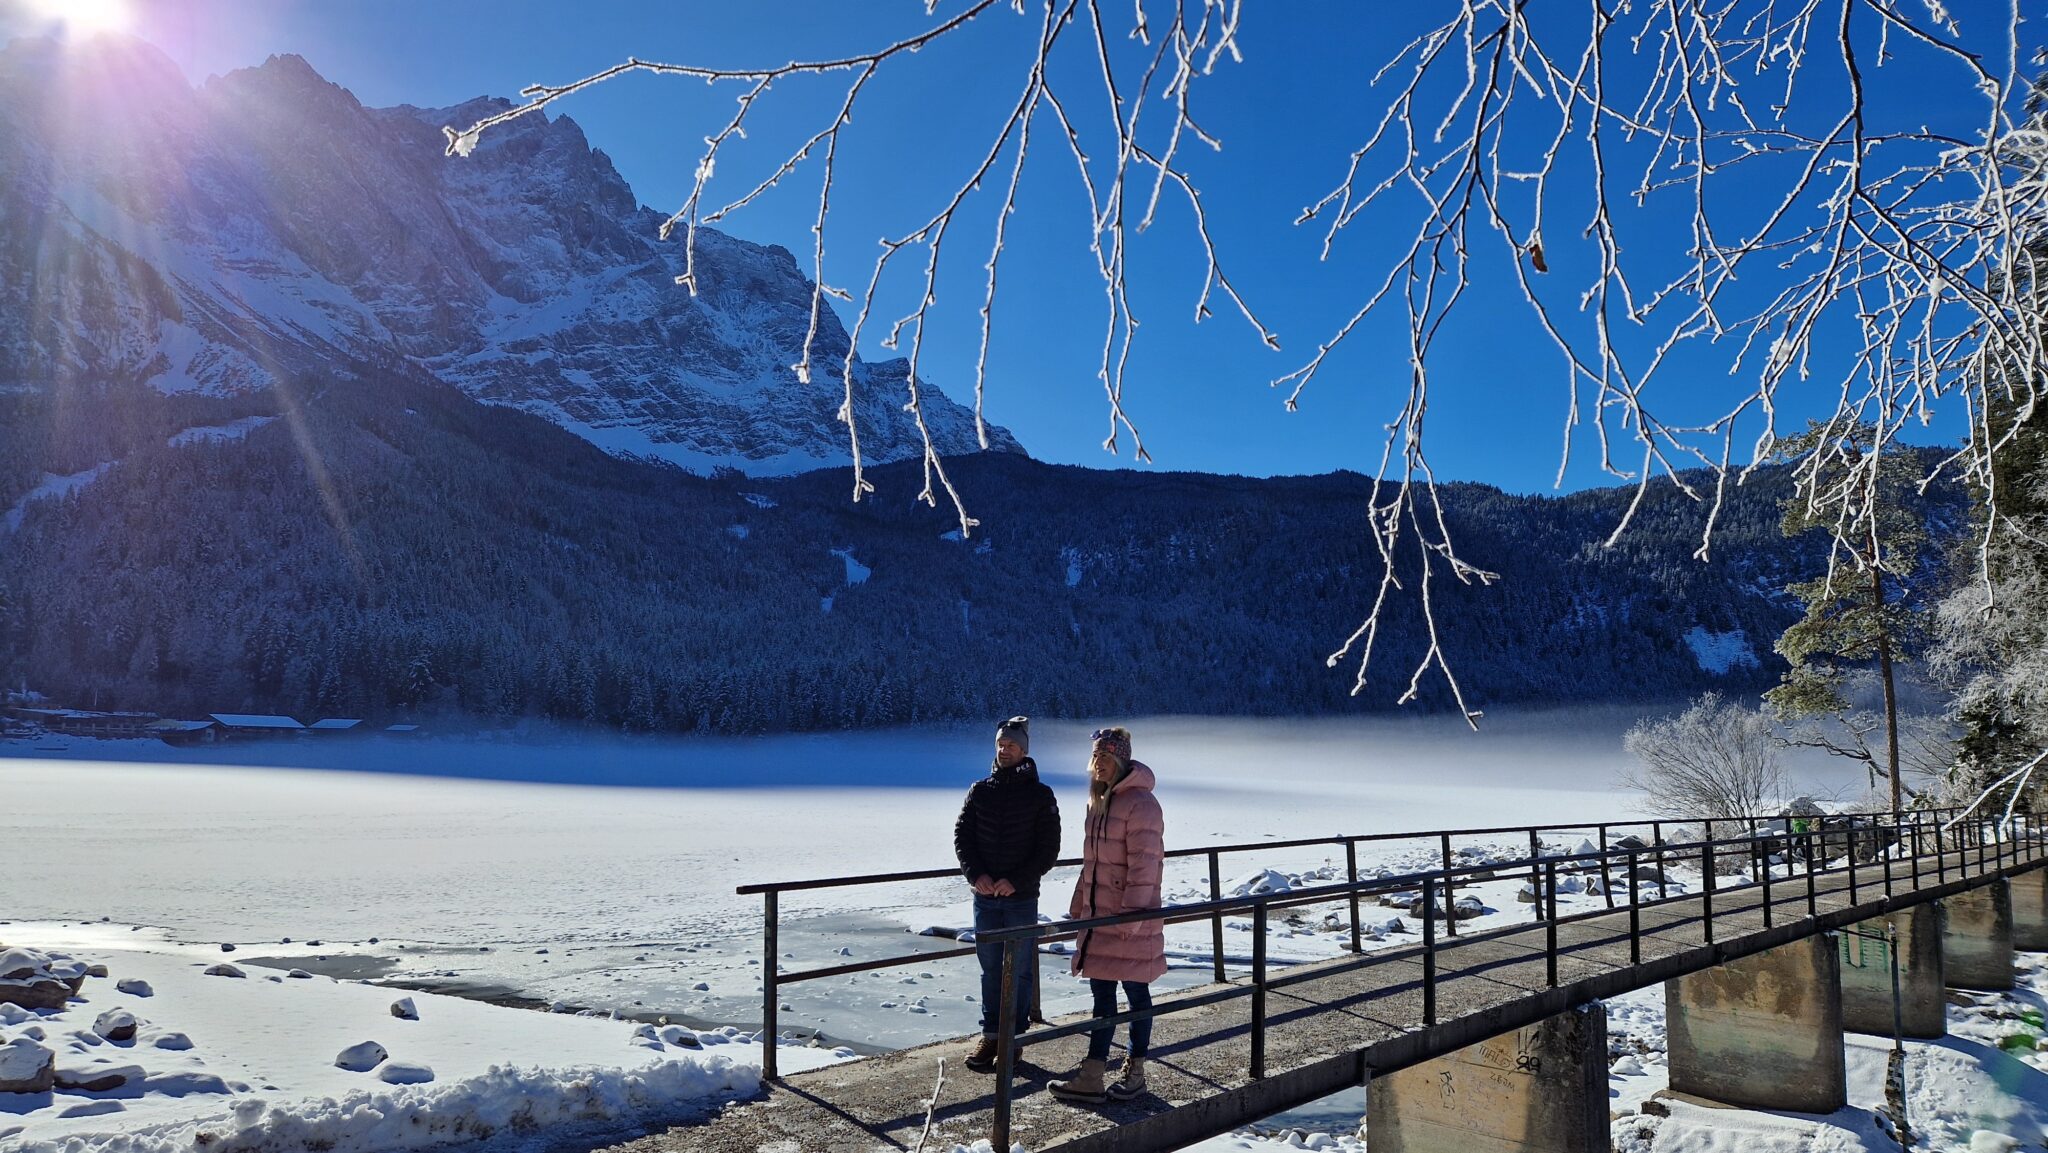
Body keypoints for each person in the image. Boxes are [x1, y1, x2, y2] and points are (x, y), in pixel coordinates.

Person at [1050, 725, 1165, 1104]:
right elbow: (1092, 866)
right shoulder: (1098, 803)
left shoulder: (1141, 804)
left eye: (1105, 757)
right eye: (1095, 757)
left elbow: (1145, 867)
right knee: (1102, 996)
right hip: (1100, 921)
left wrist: (1130, 919)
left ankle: (1135, 1073)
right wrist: (1078, 907)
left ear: (1120, 760)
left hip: (1127, 920)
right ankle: (1093, 1074)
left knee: (1136, 993)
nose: (1098, 764)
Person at [955, 715, 1061, 1074]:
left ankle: (1014, 1039)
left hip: (1020, 897)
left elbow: (1048, 850)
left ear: (1024, 750)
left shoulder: (1040, 795)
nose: (1005, 750)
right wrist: (977, 874)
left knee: (1018, 969)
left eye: (1012, 745)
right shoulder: (980, 790)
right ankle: (991, 1034)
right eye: (1001, 744)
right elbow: (962, 837)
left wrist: (1015, 880)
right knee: (989, 969)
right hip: (985, 896)